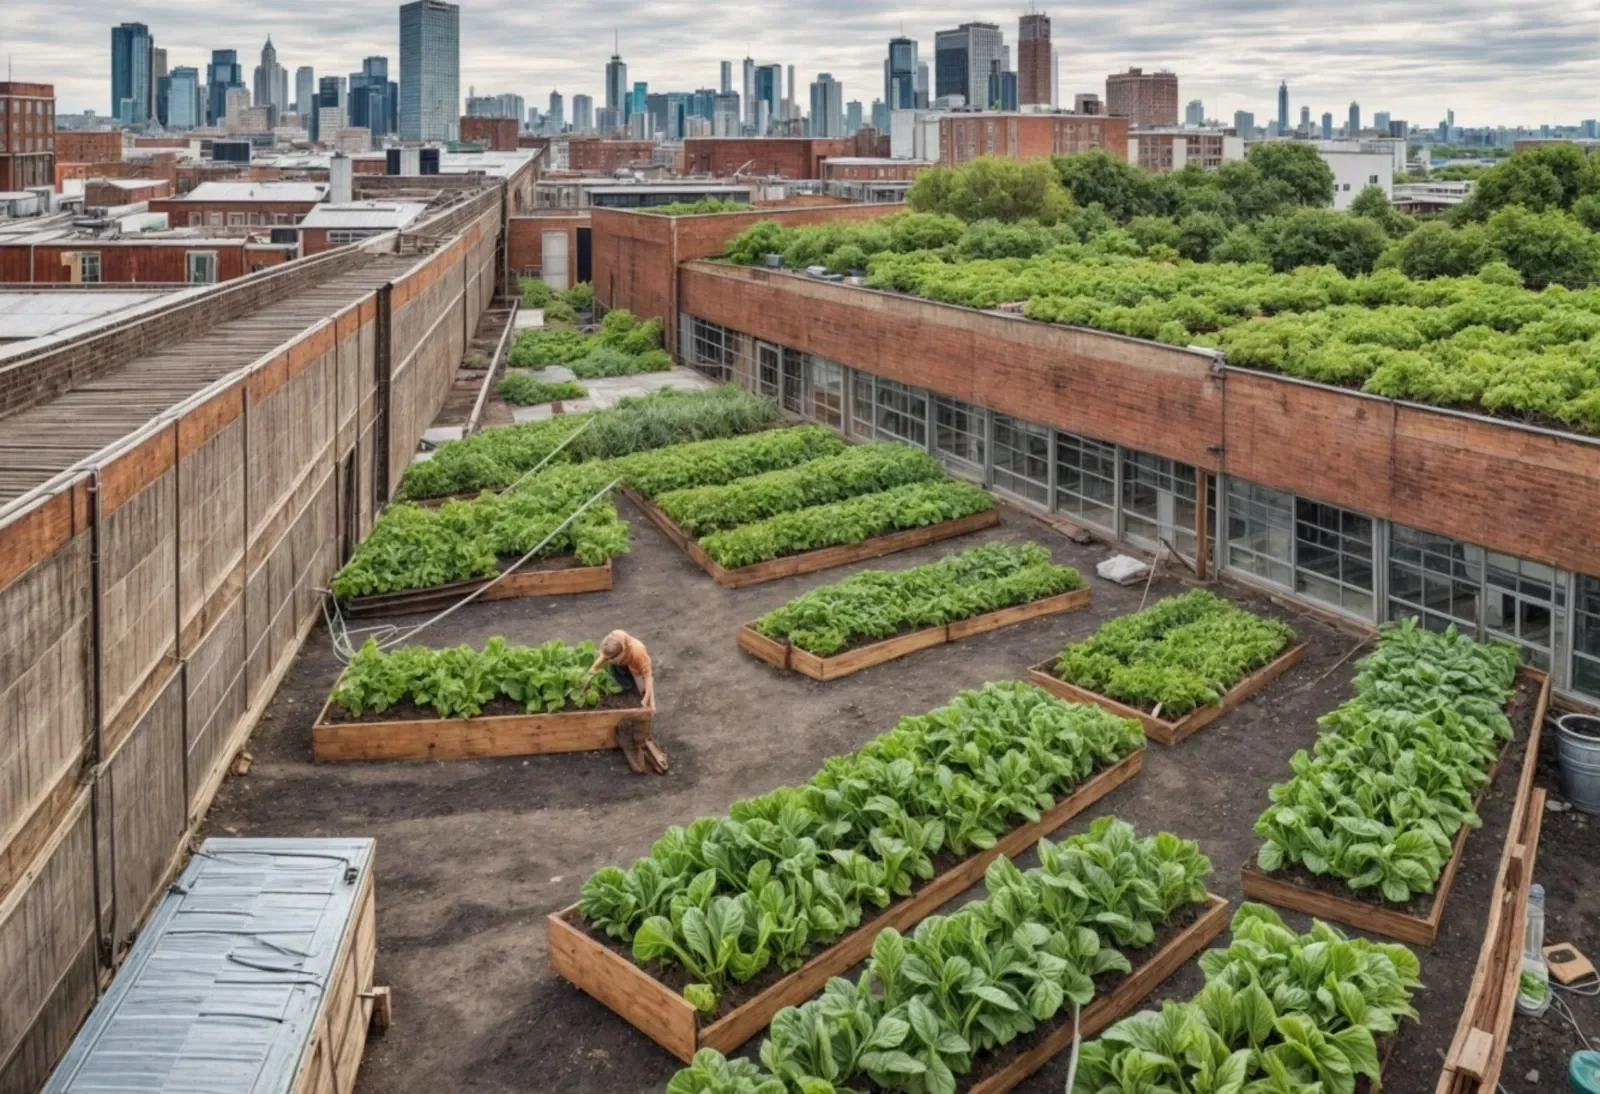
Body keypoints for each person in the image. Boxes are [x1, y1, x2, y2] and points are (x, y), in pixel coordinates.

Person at [583, 630, 654, 709]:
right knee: (618, 673)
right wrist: (593, 667)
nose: (606, 660)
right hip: (622, 661)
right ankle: (626, 688)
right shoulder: (613, 639)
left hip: (636, 668)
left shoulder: (638, 653)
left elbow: (648, 676)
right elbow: (604, 655)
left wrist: (646, 697)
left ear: (621, 654)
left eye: (609, 658)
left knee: (643, 691)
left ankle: (633, 693)